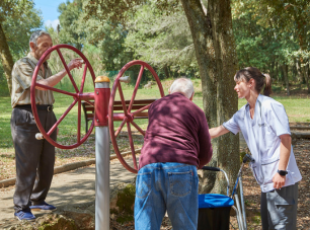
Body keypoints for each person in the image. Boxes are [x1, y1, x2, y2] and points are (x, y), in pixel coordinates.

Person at [209, 67, 302, 229]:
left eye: (238, 83)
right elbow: (217, 131)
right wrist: (190, 132)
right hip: (266, 184)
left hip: (282, 181)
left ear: (251, 83)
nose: (235, 87)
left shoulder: (271, 107)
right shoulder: (242, 114)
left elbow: (286, 140)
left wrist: (281, 171)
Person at [11, 30, 83, 221]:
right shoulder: (23, 64)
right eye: (45, 46)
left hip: (47, 115)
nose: (50, 49)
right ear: (32, 46)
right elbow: (40, 85)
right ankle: (21, 206)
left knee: (47, 161)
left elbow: (48, 86)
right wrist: (65, 70)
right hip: (26, 115)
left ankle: (38, 199)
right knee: (27, 163)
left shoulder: (46, 66)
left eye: (51, 45)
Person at [134, 78, 213, 230]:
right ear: (191, 96)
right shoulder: (196, 111)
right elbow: (206, 152)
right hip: (181, 168)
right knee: (185, 226)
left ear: (169, 92)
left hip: (148, 166)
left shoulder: (155, 106)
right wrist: (194, 165)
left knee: (145, 225)